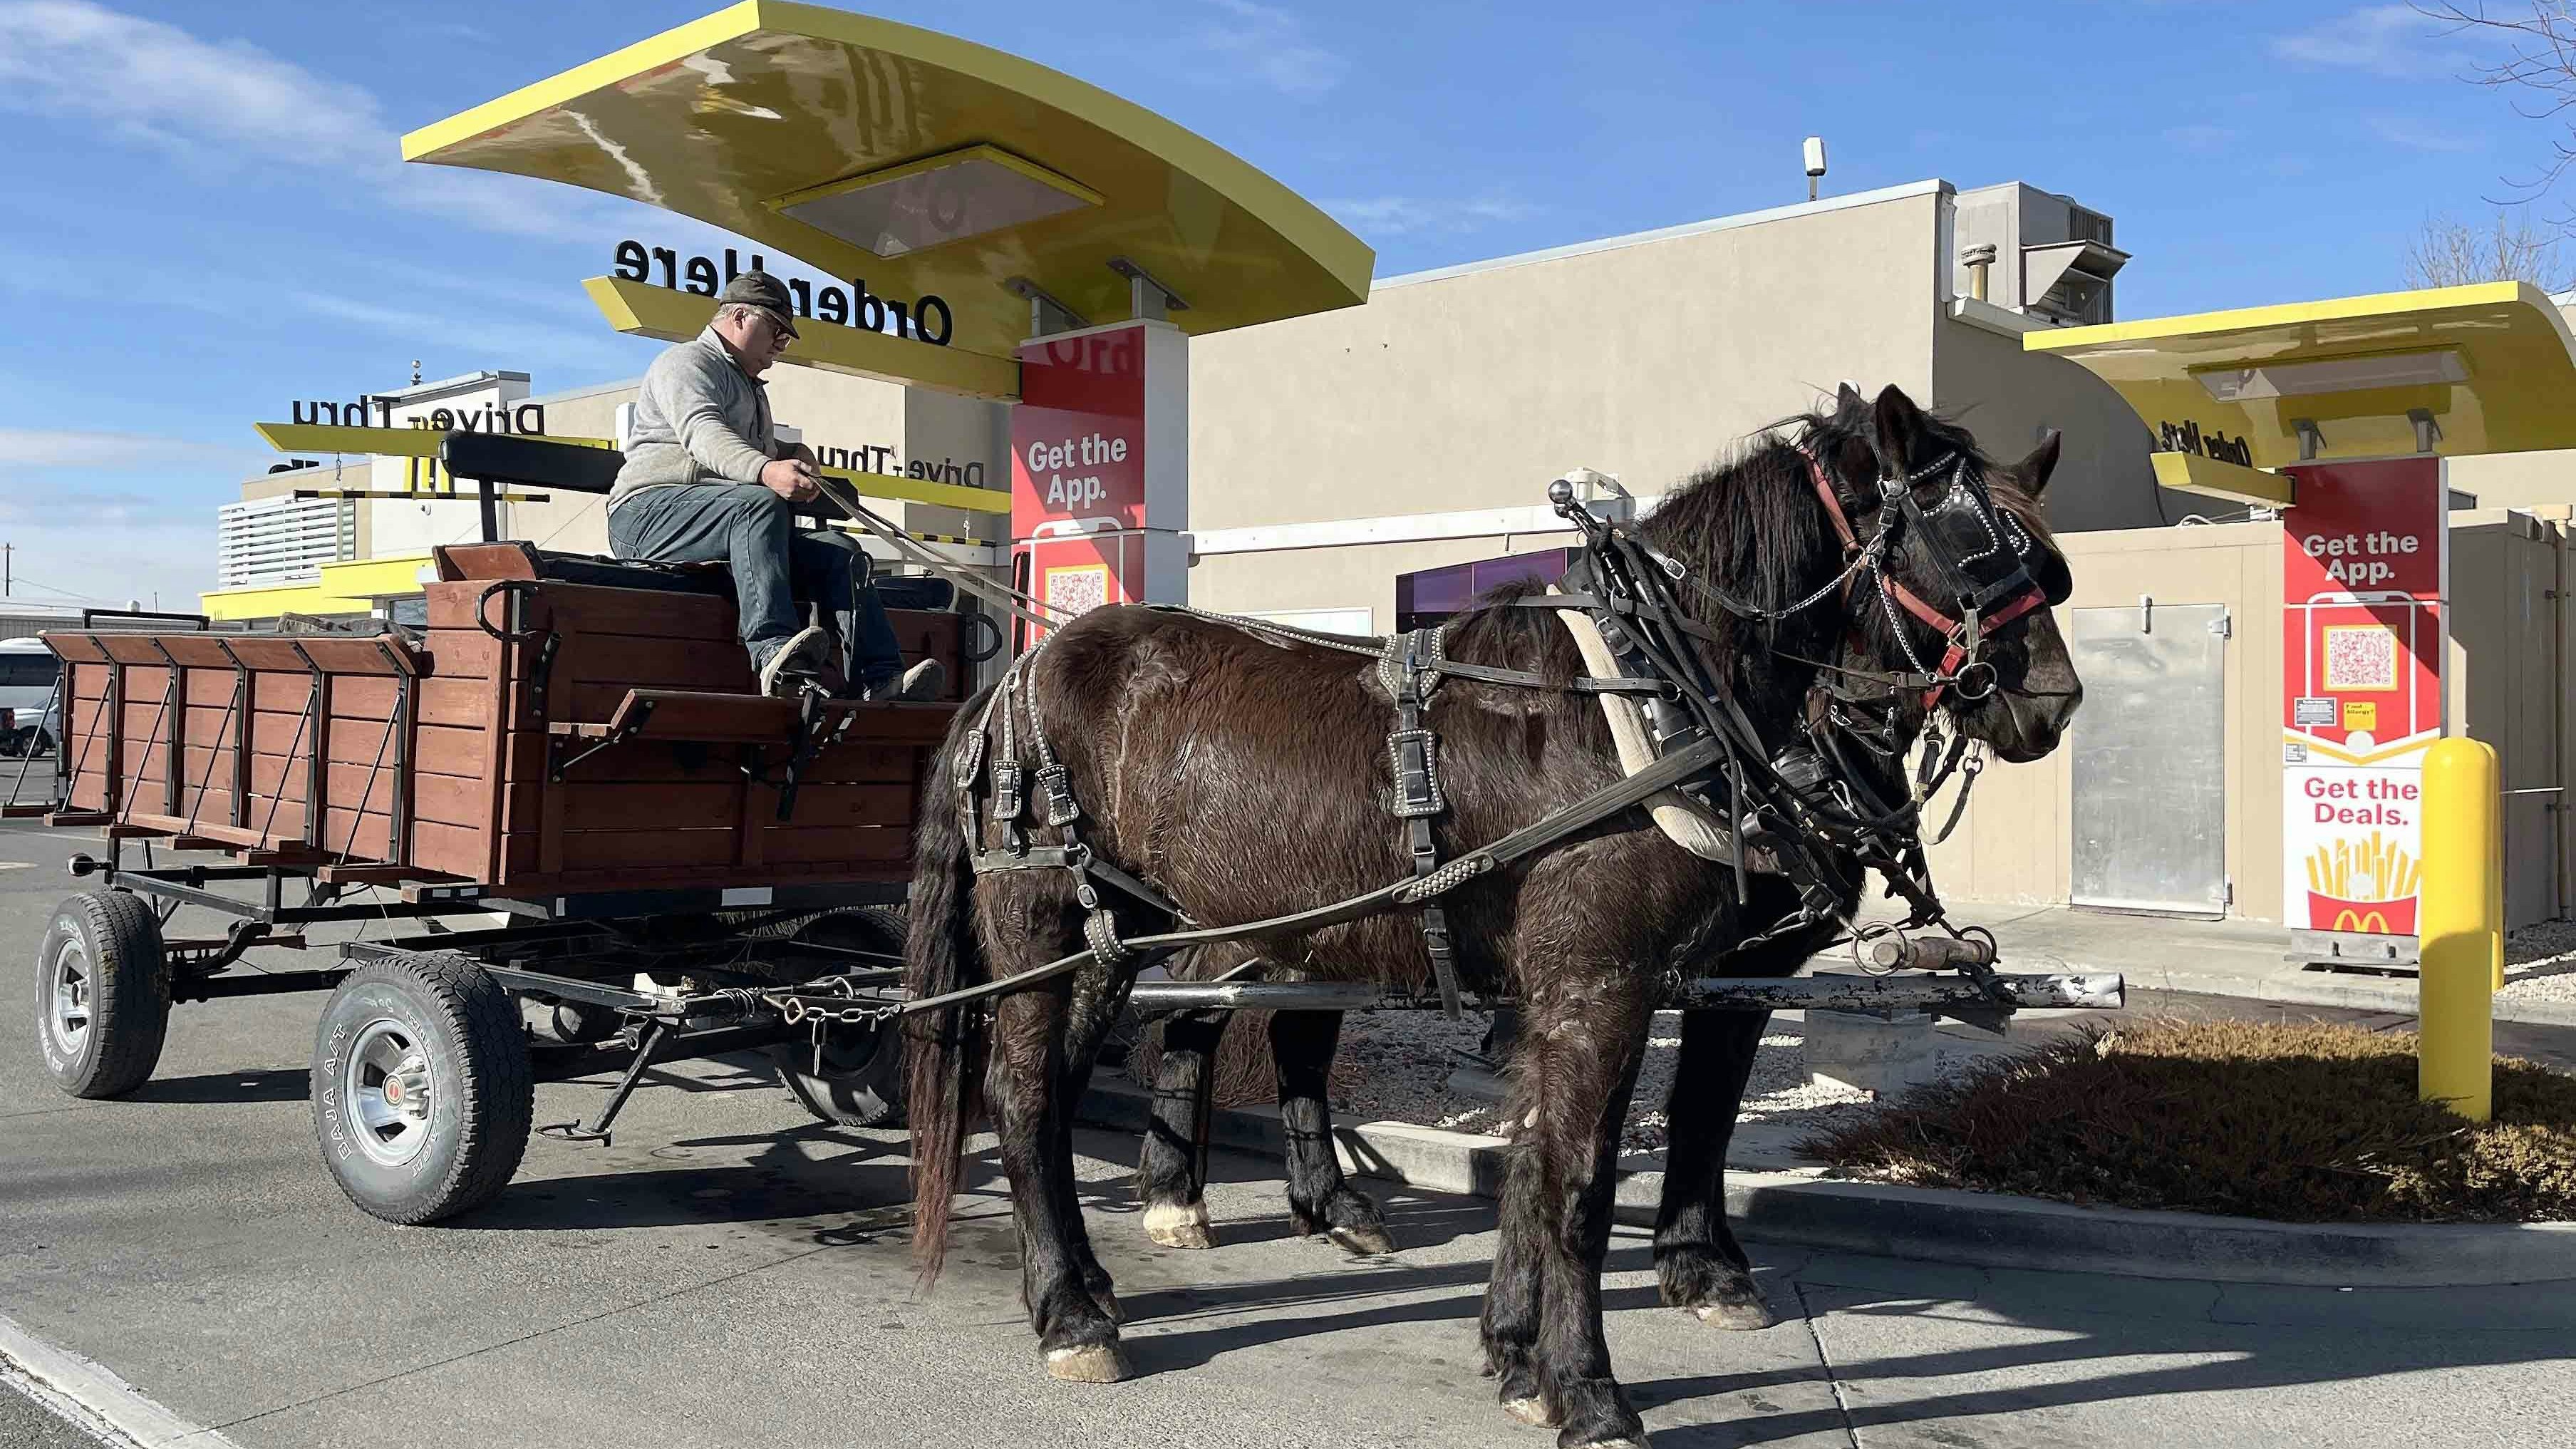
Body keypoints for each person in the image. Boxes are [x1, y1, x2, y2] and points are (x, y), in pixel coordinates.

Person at [605, 270, 944, 702]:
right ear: (741, 317)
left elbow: (743, 445)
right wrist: (769, 470)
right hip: (646, 516)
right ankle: (771, 652)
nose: (778, 350)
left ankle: (880, 680)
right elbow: (703, 435)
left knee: (841, 552)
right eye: (776, 334)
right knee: (759, 505)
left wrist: (789, 449)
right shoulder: (686, 364)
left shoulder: (747, 386)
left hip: (720, 521)